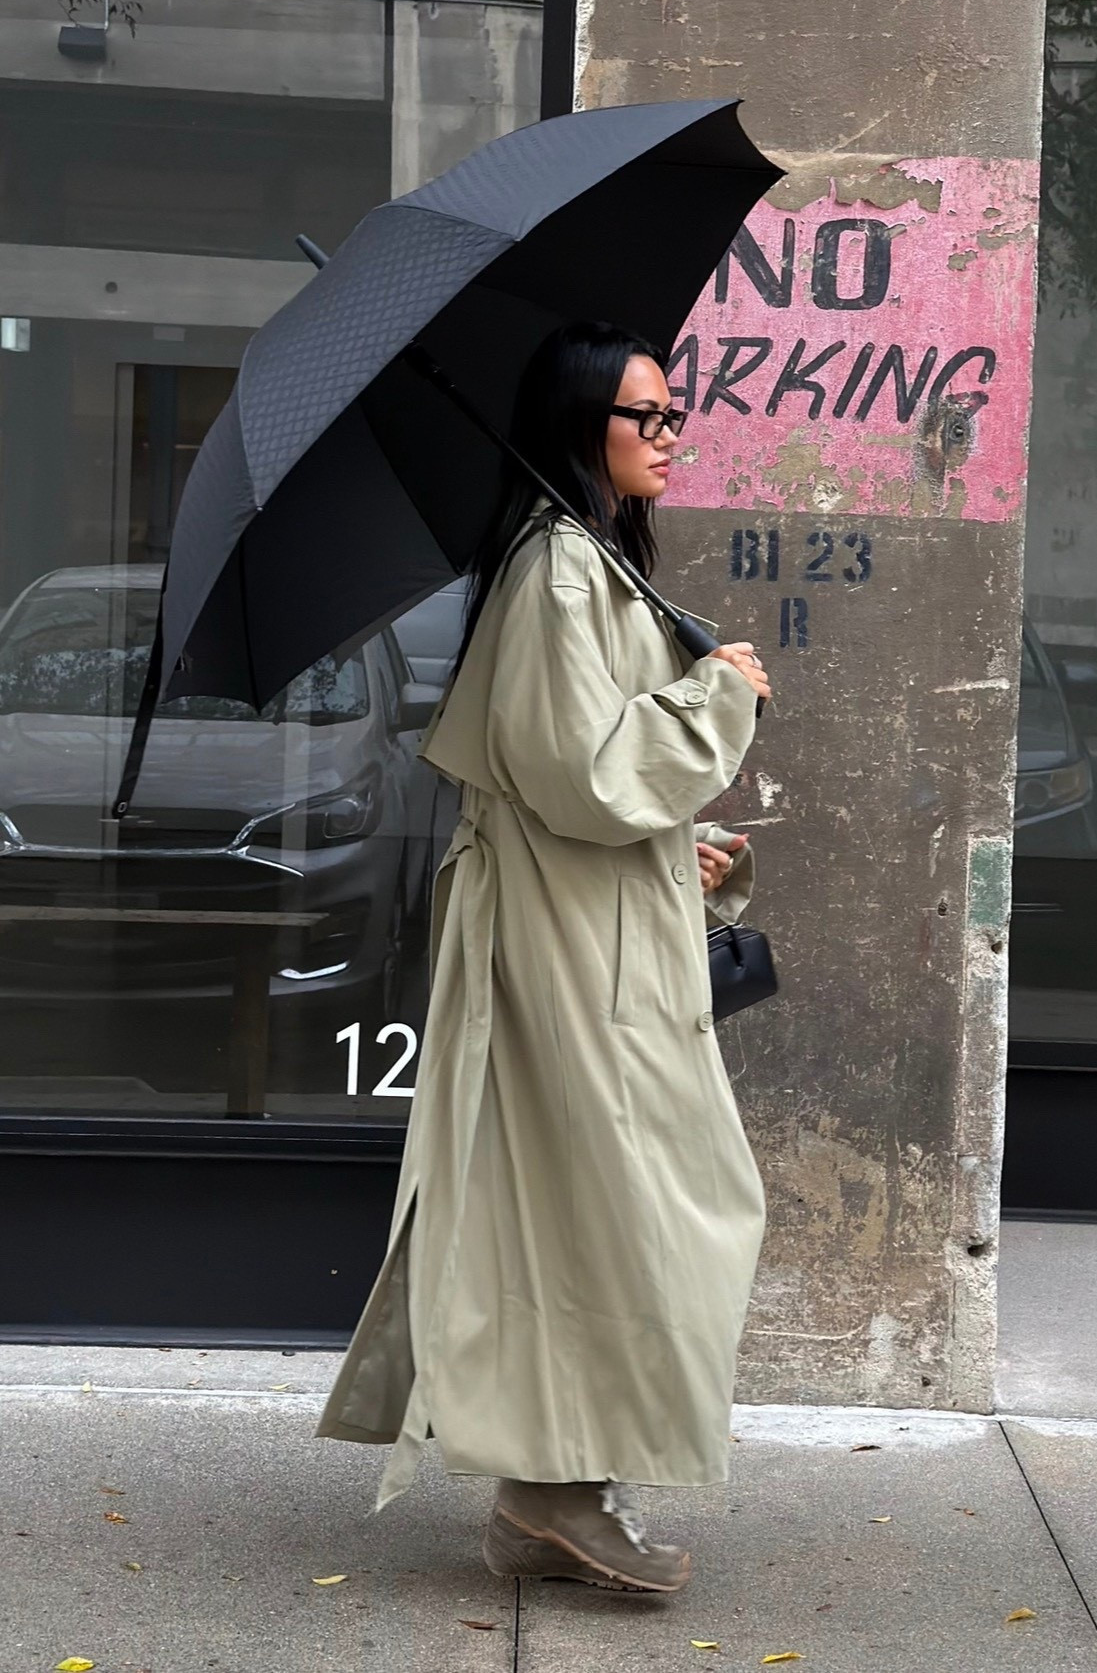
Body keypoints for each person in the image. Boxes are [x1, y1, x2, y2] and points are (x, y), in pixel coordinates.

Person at [317, 320, 772, 1594]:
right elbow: (581, 774)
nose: (674, 435)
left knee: (593, 1203)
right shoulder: (559, 572)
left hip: (592, 928)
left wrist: (685, 846)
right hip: (567, 957)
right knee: (618, 1205)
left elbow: (572, 777)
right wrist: (720, 693)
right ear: (586, 429)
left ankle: (551, 1495)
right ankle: (550, 1487)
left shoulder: (586, 563)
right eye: (651, 417)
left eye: (677, 412)